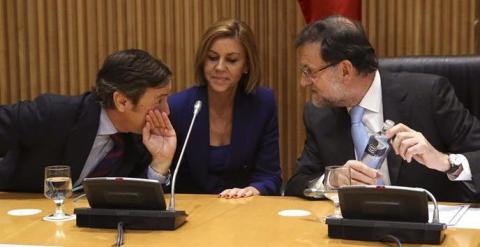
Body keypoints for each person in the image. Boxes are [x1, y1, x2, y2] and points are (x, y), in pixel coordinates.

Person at [284, 15, 480, 202]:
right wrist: (330, 180)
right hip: (351, 232)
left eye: (309, 72)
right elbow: (297, 183)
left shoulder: (429, 96)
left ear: (345, 70)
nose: (303, 82)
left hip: (428, 229)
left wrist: (443, 161)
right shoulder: (319, 115)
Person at [0, 49, 176, 192]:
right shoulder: (54, 113)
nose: (166, 111)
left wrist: (160, 161)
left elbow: (139, 202)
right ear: (122, 101)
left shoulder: (142, 139)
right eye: (159, 100)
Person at [168, 19, 282, 198]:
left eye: (231, 60)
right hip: (193, 213)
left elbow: (269, 175)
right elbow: (169, 178)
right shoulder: (177, 107)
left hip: (243, 210)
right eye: (212, 58)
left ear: (246, 66)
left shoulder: (262, 104)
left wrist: (253, 190)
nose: (219, 67)